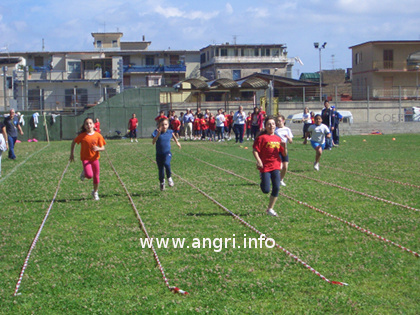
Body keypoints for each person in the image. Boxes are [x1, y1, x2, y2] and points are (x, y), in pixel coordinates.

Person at [253, 116, 286, 217]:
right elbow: (255, 150)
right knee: (266, 190)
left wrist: (284, 147)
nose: (271, 126)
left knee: (276, 187)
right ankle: (262, 177)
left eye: (273, 124)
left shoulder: (278, 138)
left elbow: (283, 154)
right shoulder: (261, 138)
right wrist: (259, 161)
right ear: (265, 126)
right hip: (265, 166)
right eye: (269, 124)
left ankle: (270, 209)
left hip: (275, 165)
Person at [69, 118, 106, 200]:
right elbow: (74, 142)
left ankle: (95, 192)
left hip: (95, 159)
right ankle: (85, 172)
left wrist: (98, 148)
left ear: (93, 125)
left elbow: (103, 148)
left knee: (96, 176)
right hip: (85, 159)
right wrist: (72, 154)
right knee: (89, 175)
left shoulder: (98, 135)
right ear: (84, 126)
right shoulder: (82, 136)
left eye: (90, 123)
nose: (89, 125)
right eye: (87, 124)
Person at [152, 118, 181, 191]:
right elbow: (153, 142)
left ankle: (169, 177)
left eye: (165, 124)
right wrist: (158, 134)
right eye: (162, 125)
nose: (164, 126)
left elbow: (173, 135)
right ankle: (162, 182)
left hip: (167, 153)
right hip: (159, 154)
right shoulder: (156, 132)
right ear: (159, 125)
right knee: (161, 170)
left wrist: (177, 142)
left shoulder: (170, 132)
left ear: (168, 125)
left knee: (167, 164)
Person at [274, 115, 293, 187]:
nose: (278, 122)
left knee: (285, 167)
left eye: (279, 120)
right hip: (276, 149)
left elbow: (291, 141)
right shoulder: (274, 129)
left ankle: (281, 180)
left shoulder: (287, 129)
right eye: (277, 121)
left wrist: (288, 138)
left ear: (283, 121)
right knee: (280, 167)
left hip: (284, 149)